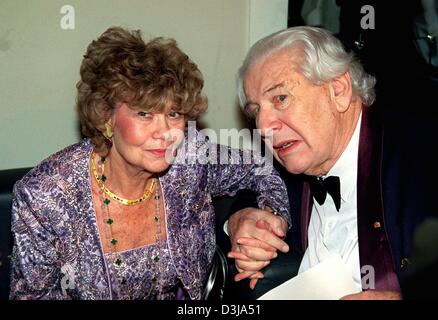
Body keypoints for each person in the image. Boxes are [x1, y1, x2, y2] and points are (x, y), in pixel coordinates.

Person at [9, 27, 291, 300]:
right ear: (106, 116)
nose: (166, 133)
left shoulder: (190, 159)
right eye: (144, 113)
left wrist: (264, 221)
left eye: (174, 113)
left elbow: (262, 170)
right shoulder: (45, 196)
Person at [227, 26, 438, 299]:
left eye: (280, 98)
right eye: (256, 111)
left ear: (338, 90)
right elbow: (247, 191)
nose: (263, 126)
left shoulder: (423, 158)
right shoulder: (294, 163)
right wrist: (238, 220)